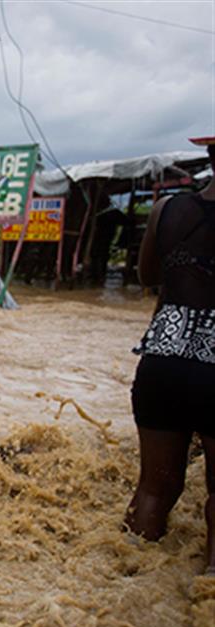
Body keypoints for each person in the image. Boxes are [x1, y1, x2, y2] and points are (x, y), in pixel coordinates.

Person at [126, 137, 215, 575]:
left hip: (163, 357)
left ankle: (127, 576)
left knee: (154, 490)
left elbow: (146, 275)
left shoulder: (166, 211)